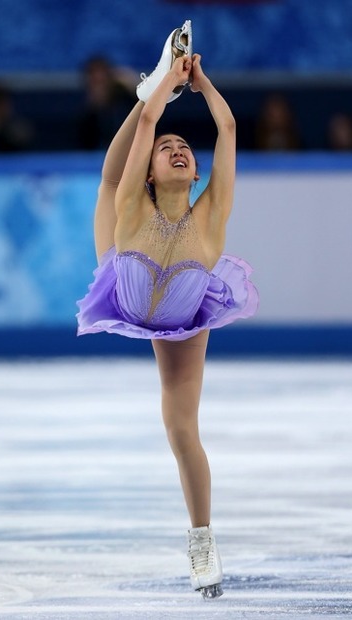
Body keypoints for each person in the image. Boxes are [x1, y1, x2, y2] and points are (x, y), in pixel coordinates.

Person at [76, 21, 258, 599]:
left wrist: (201, 84)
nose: (178, 149)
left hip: (182, 315)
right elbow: (148, 129)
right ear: (151, 172)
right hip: (124, 259)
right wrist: (158, 89)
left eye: (186, 149)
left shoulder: (210, 218)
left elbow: (227, 127)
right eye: (166, 150)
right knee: (108, 185)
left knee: (183, 431)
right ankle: (145, 85)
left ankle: (201, 541)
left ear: (196, 171)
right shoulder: (133, 202)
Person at [77, 55, 137, 150]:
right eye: (95, 82)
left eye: (102, 82)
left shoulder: (125, 104)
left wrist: (135, 88)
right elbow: (84, 146)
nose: (99, 89)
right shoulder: (86, 114)